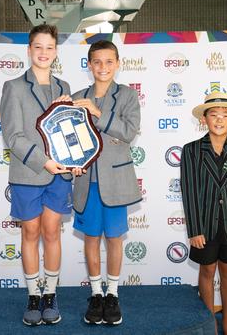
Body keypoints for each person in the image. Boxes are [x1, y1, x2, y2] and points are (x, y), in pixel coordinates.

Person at [0, 24, 72, 326]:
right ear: (29, 50)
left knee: (52, 232)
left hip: (59, 175)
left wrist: (74, 159)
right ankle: (32, 296)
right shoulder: (14, 87)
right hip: (29, 172)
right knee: (30, 233)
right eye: (38, 47)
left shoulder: (64, 88)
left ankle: (50, 295)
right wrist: (44, 162)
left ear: (56, 52)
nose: (43, 53)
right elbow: (12, 136)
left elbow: (71, 131)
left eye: (49, 47)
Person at [71, 40, 142, 326]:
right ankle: (96, 293)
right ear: (89, 65)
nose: (102, 67)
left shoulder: (127, 96)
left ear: (117, 63)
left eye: (108, 62)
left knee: (114, 238)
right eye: (97, 62)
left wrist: (98, 113)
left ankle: (112, 294)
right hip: (87, 181)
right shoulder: (75, 97)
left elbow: (127, 132)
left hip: (115, 180)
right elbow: (69, 138)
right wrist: (70, 165)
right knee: (91, 238)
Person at [180, 91, 227, 335]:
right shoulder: (191, 150)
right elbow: (189, 191)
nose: (219, 120)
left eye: (225, 115)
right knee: (207, 271)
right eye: (214, 115)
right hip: (204, 224)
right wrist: (194, 230)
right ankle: (209, 322)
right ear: (204, 119)